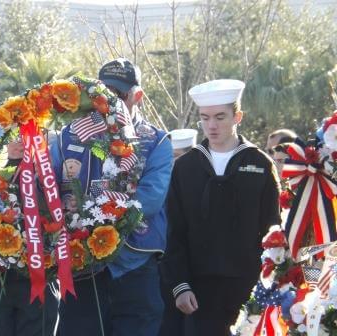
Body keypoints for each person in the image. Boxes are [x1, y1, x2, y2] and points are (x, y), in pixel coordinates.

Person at [55, 58, 173, 336]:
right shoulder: (69, 137)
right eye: (104, 93)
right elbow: (51, 190)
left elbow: (150, 200)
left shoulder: (156, 141)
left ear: (137, 96)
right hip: (83, 268)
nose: (109, 103)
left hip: (134, 265)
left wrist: (95, 213)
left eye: (119, 95)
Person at [162, 79, 281, 335]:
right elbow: (174, 231)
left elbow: (273, 228)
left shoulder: (260, 163)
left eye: (220, 117)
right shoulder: (186, 167)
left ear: (237, 116)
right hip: (198, 287)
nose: (212, 126)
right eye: (205, 118)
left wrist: (271, 282)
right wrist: (180, 284)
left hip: (250, 284)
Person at [0, 139, 60, 336]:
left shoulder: (53, 179)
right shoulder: (1, 177)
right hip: (1, 279)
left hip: (41, 276)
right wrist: (12, 163)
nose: (21, 145)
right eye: (16, 141)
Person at [158, 128, 197, 336]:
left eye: (177, 157)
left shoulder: (198, 186)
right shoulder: (158, 185)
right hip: (163, 275)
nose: (173, 164)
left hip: (195, 274)